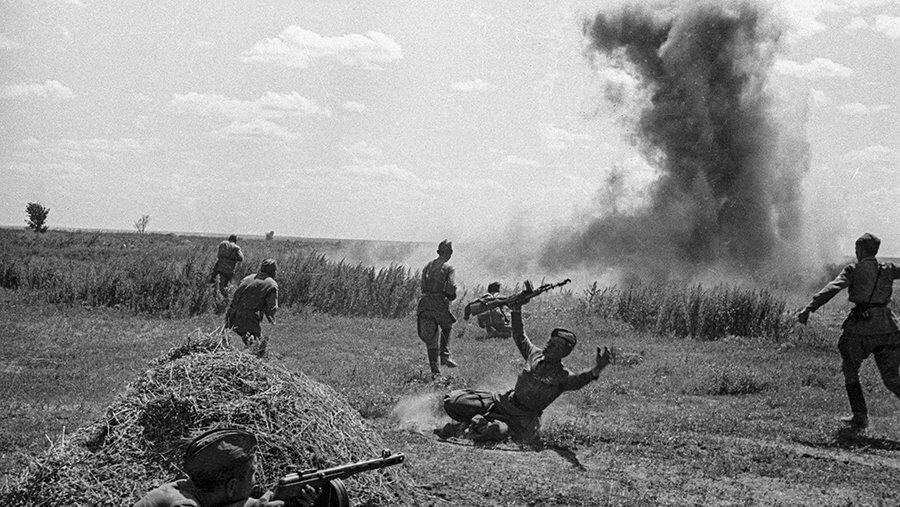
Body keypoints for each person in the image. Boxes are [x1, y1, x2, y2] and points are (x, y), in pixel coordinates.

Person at [441, 297, 611, 443]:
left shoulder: (563, 376)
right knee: (452, 402)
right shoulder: (534, 354)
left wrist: (598, 368)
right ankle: (476, 422)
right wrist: (516, 309)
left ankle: (473, 425)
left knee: (495, 430)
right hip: (502, 402)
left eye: (555, 345)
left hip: (521, 421)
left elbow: (580, 380)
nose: (549, 344)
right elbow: (519, 335)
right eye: (550, 341)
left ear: (564, 352)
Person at [797, 233, 900, 430]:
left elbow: (832, 288)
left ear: (860, 250)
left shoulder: (853, 269)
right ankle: (859, 417)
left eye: (856, 249)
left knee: (850, 369)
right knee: (892, 379)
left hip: (860, 328)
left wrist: (809, 308)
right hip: (887, 327)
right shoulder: (889, 268)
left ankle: (860, 417)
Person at [134, 427, 316, 507]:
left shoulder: (189, 487)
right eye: (252, 474)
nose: (256, 481)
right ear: (231, 487)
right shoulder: (182, 504)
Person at [417, 240, 459, 376]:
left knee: (431, 340)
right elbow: (451, 288)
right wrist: (451, 295)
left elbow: (422, 287)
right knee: (447, 325)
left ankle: (435, 373)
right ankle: (445, 355)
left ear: (437, 252)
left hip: (424, 304)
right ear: (450, 253)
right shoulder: (449, 268)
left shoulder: (427, 267)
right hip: (439, 303)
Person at [226, 259, 278, 346]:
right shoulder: (271, 284)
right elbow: (272, 308)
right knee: (256, 346)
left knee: (229, 343)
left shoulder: (248, 277)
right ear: (273, 271)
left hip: (231, 314)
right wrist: (272, 319)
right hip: (247, 318)